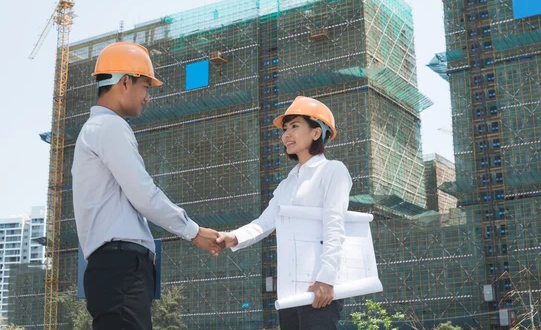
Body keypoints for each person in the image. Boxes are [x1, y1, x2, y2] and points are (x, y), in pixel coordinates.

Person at [72, 42, 222, 330]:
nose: (148, 98)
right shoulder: (110, 128)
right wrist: (194, 231)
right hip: (120, 271)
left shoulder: (96, 130)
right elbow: (144, 194)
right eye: (145, 87)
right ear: (125, 82)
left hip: (116, 270)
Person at [216, 96, 353, 330]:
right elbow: (265, 222)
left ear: (316, 133)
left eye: (294, 126)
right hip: (290, 289)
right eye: (285, 129)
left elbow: (334, 225)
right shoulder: (286, 184)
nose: (285, 134)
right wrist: (233, 237)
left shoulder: (332, 170)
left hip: (318, 286)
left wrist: (327, 278)